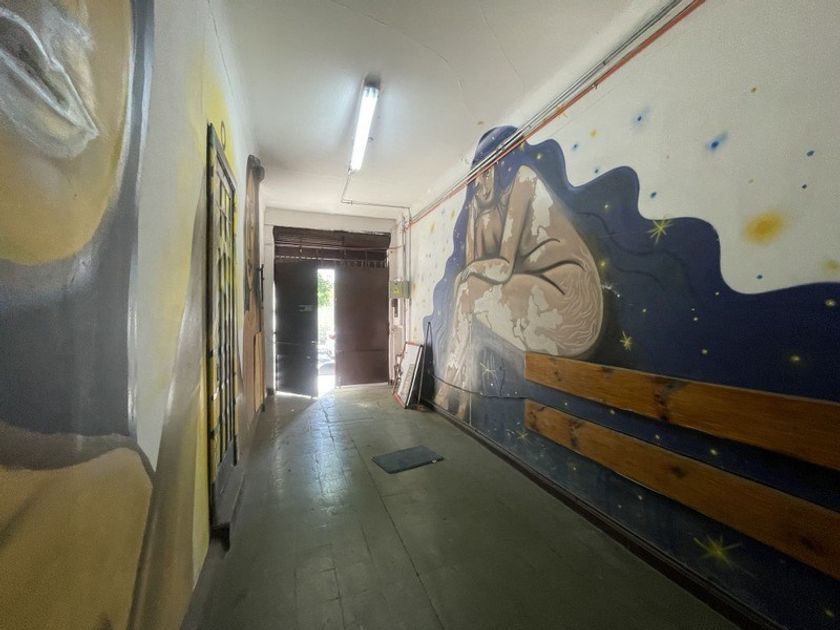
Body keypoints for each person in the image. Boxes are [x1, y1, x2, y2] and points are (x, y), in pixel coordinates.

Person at [436, 162, 604, 415]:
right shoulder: (484, 209)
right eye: (476, 179)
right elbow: (473, 286)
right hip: (543, 300)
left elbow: (503, 268)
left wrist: (467, 271)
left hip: (570, 301)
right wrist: (474, 217)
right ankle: (460, 395)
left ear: (497, 167)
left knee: (467, 291)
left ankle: (447, 390)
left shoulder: (524, 178)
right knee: (467, 296)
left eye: (485, 172)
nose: (481, 183)